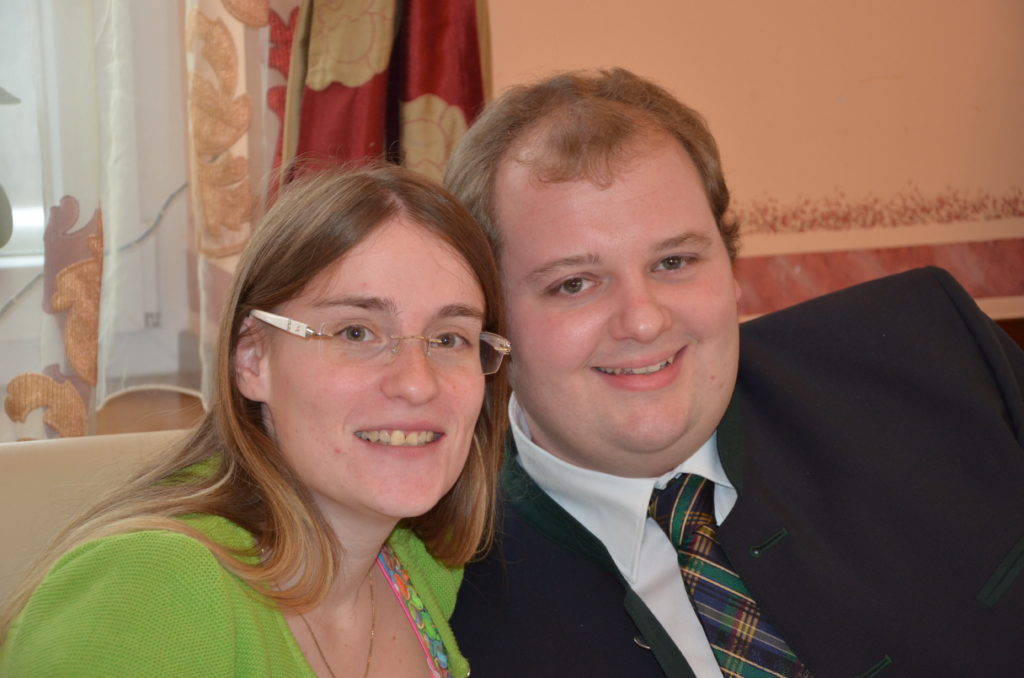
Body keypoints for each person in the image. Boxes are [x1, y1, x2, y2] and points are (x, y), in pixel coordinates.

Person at [443, 68, 1024, 677]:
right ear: (490, 316)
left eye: (674, 261)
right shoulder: (443, 609)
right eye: (574, 284)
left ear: (729, 263)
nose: (643, 320)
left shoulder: (933, 353)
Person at [0, 164, 511, 677]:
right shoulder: (148, 591)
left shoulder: (417, 565)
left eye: (449, 339)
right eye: (356, 332)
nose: (418, 383)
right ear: (252, 358)